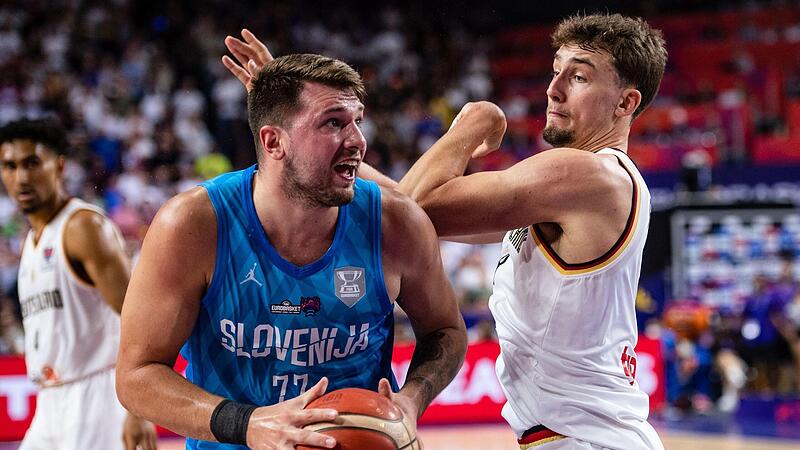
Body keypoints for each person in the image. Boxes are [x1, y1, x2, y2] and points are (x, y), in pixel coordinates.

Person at [223, 11, 666, 450]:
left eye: (580, 78)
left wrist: (473, 121)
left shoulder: (585, 173)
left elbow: (410, 213)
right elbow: (410, 211)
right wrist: (301, 131)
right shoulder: (586, 189)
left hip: (587, 440)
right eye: (555, 72)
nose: (553, 89)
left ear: (625, 103)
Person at [115, 53, 467, 450]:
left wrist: (410, 399)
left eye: (357, 122)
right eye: (333, 123)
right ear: (273, 141)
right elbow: (136, 375)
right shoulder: (192, 225)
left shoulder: (396, 222)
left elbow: (446, 330)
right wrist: (248, 424)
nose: (357, 142)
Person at [0, 118, 156, 450]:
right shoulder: (31, 243)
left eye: (32, 163)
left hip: (98, 397)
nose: (21, 177)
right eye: (10, 166)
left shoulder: (82, 228)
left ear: (58, 166)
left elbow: (139, 319)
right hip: (51, 398)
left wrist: (137, 410)